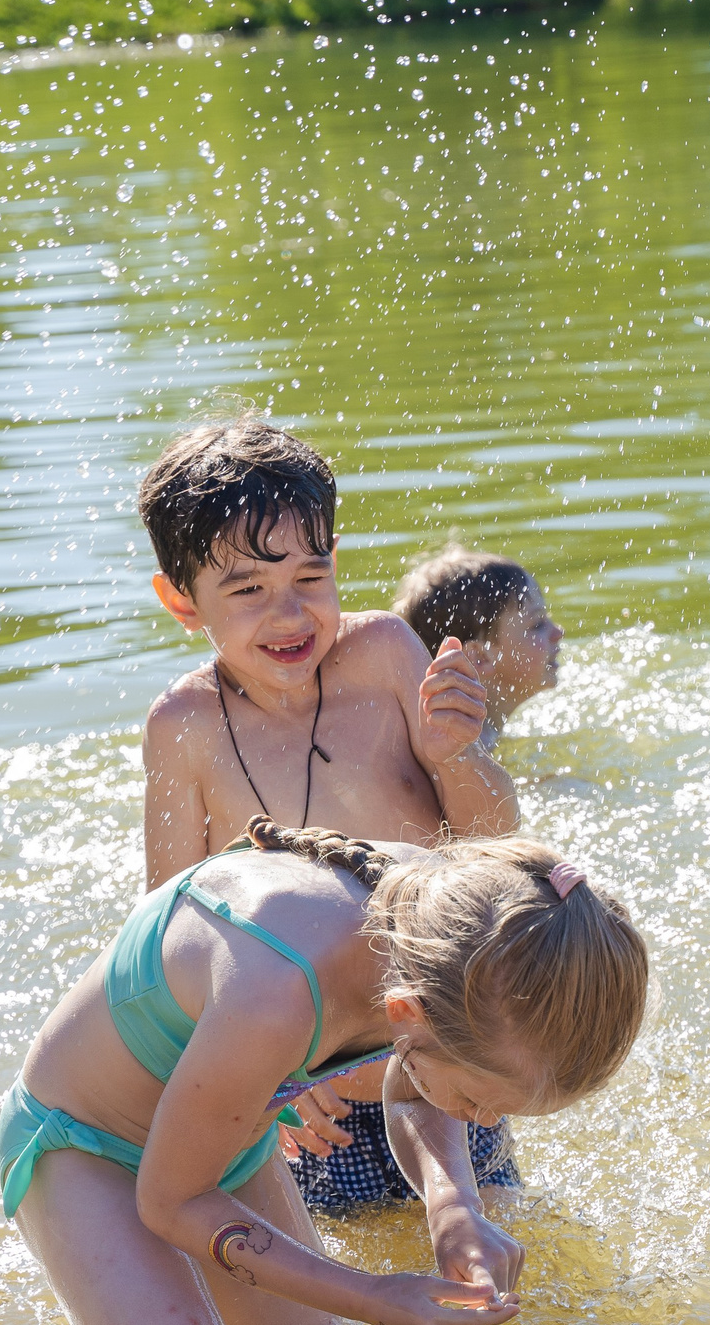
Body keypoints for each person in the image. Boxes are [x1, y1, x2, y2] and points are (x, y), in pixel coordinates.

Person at [0, 816, 648, 1325]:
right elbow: (173, 1202)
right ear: (406, 1013)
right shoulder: (274, 993)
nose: (480, 1122)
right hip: (86, 1149)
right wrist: (373, 1297)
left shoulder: (450, 931)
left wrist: (454, 1206)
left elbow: (417, 1080)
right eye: (476, 1100)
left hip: (222, 1137)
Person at [135, 417, 525, 1207]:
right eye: (248, 589)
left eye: (309, 578)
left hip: (442, 1056)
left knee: (498, 1235)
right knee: (340, 1261)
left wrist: (457, 755)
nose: (289, 615)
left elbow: (495, 844)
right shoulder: (185, 728)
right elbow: (170, 933)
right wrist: (262, 1071)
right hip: (308, 1097)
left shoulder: (383, 656)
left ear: (336, 561)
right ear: (181, 600)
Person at [393, 547, 564, 751]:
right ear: (480, 656)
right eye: (537, 624)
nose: (558, 632)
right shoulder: (473, 748)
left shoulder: (472, 736)